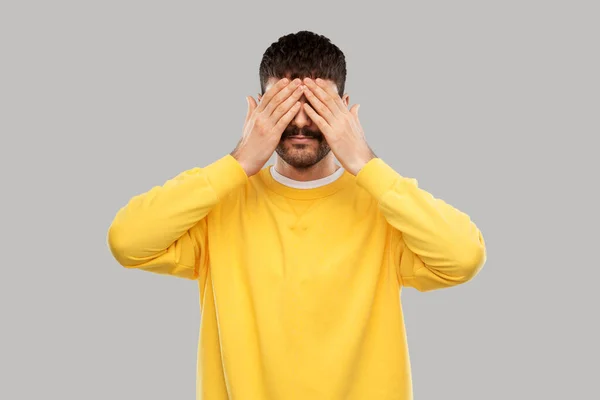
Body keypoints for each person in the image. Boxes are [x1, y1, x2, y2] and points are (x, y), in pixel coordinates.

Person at [107, 30, 486, 400]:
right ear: (256, 109)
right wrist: (238, 161)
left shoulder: (384, 206)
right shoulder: (220, 204)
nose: (301, 122)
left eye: (318, 105)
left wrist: (365, 162)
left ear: (346, 109)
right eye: (283, 105)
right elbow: (128, 242)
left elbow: (463, 257)